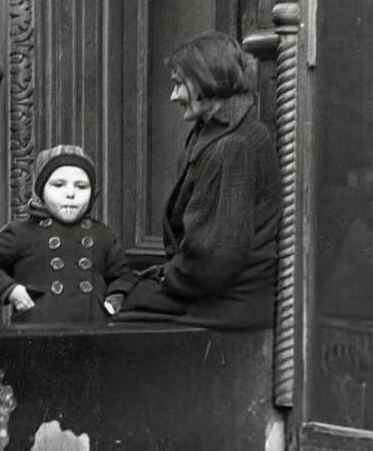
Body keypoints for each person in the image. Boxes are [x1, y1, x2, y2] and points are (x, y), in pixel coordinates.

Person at [112, 32, 281, 329]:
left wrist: (162, 279)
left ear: (207, 80)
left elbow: (214, 261)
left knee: (115, 313)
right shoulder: (221, 131)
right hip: (216, 293)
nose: (173, 95)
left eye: (179, 84)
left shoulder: (232, 146)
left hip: (226, 302)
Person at [0, 145, 129, 323]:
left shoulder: (102, 234)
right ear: (41, 190)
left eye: (81, 187)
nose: (70, 194)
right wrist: (10, 290)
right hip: (38, 332)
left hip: (93, 333)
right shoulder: (23, 232)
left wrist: (115, 299)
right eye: (58, 185)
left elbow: (123, 276)